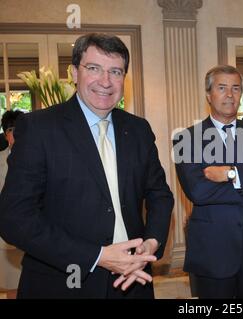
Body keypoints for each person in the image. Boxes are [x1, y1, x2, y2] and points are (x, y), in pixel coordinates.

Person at [0, 33, 174, 298]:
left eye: (116, 71)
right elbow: (14, 219)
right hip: (63, 284)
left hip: (132, 281)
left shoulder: (138, 129)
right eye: (94, 68)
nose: (105, 81)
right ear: (73, 72)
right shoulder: (38, 128)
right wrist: (97, 256)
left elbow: (160, 195)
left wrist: (150, 244)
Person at [174, 65, 243, 298]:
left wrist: (231, 174)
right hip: (214, 248)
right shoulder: (187, 139)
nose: (230, 95)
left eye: (236, 88)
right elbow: (199, 191)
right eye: (222, 88)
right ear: (208, 94)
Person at [0, 110, 24, 290]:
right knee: (10, 287)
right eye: (10, 129)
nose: (15, 132)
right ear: (5, 133)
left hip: (34, 238)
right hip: (5, 242)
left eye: (19, 128)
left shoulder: (39, 156)